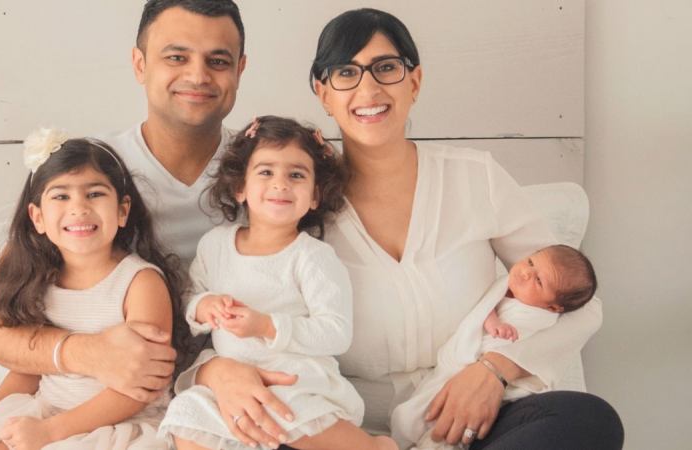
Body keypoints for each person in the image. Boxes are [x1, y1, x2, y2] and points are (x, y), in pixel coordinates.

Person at [182, 8, 623, 450]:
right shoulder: (296, 201)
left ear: (414, 81)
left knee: (587, 419)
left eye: (386, 68)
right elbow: (233, 312)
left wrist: (494, 369)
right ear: (323, 93)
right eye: (346, 73)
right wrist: (216, 372)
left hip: (468, 418)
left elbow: (580, 304)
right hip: (337, 426)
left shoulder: (475, 178)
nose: (368, 88)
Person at [0, 0, 252, 407]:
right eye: (176, 57)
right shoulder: (92, 172)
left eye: (218, 61)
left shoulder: (268, 170)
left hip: (229, 389)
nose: (197, 75)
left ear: (240, 69)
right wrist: (86, 352)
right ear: (139, 64)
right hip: (100, 398)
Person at [156, 116, 396, 450]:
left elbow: (336, 333)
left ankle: (374, 446)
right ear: (240, 188)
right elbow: (189, 296)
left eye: (296, 175)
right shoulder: (215, 245)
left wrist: (268, 326)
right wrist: (204, 306)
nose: (281, 184)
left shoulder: (312, 257)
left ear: (315, 195)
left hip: (296, 379)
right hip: (235, 378)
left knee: (291, 411)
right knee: (187, 411)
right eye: (266, 172)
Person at [0, 129, 188, 449]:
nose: (79, 208)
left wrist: (50, 432)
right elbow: (30, 368)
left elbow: (139, 388)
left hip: (118, 423)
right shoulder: (40, 280)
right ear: (37, 217)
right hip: (48, 413)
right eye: (61, 196)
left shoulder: (140, 283)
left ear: (122, 210)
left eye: (95, 194)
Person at [391, 245, 598, 449]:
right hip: (451, 372)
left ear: (552, 307)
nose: (526, 272)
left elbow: (503, 342)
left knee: (592, 416)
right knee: (423, 413)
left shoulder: (535, 316)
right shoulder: (504, 287)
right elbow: (483, 308)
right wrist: (491, 321)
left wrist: (494, 363)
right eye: (530, 261)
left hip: (488, 385)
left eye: (538, 281)